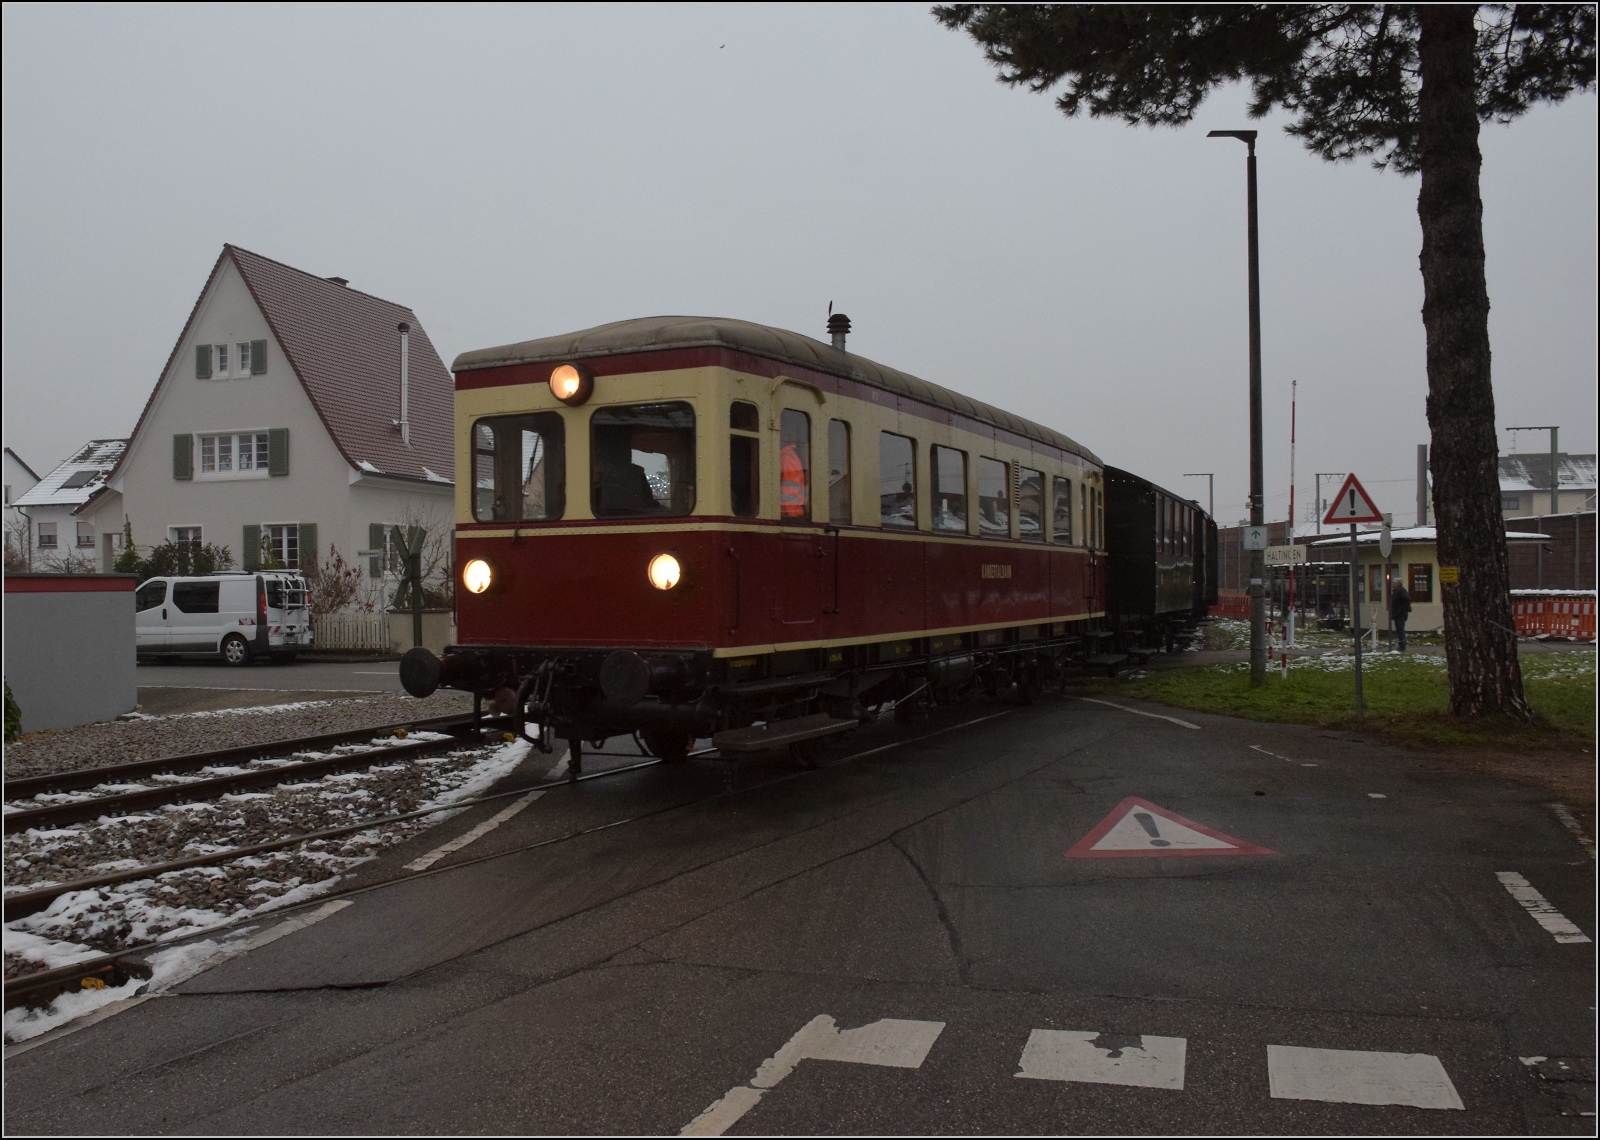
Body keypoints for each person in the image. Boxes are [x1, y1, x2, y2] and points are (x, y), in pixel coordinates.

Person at [1388, 581, 1412, 652]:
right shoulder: (1397, 591)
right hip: (1398, 613)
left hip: (1400, 613)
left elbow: (1407, 600)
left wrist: (1402, 609)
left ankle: (1402, 646)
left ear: (1398, 584)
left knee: (1400, 629)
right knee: (1399, 629)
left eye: (1394, 583)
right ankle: (1401, 644)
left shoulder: (1400, 591)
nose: (1392, 584)